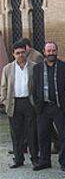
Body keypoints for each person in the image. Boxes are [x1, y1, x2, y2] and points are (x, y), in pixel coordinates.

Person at [32, 41, 65, 171]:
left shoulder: (64, 66)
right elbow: (34, 87)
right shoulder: (37, 68)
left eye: (53, 51)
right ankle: (44, 160)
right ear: (44, 52)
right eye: (49, 51)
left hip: (59, 106)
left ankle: (64, 162)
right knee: (43, 135)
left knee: (64, 135)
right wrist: (37, 105)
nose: (51, 53)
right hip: (43, 107)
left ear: (57, 51)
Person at [1, 40, 39, 168]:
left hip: (29, 103)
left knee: (32, 132)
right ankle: (18, 159)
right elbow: (4, 87)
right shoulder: (8, 69)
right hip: (14, 103)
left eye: (23, 52)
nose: (21, 55)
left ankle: (35, 158)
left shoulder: (34, 66)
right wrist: (5, 102)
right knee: (16, 133)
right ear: (13, 54)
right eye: (18, 53)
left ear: (26, 52)